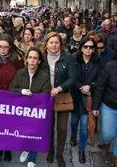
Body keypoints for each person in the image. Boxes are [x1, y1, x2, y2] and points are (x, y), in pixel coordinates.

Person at [9, 47, 52, 167]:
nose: (32, 60)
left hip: (37, 111)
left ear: (39, 61)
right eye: (30, 58)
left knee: (35, 133)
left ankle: (32, 159)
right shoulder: (20, 73)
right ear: (26, 59)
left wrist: (34, 97)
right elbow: (12, 88)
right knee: (24, 132)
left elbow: (46, 92)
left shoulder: (44, 75)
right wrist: (21, 91)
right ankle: (26, 149)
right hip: (22, 111)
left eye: (35, 58)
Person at [0, 34, 24, 164]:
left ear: (10, 47)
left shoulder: (17, 60)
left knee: (9, 125)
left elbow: (21, 76)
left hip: (13, 97)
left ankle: (7, 148)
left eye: (5, 47)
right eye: (0, 46)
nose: (2, 49)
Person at [43, 32, 76, 167]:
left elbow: (73, 78)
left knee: (62, 128)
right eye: (51, 42)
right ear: (46, 44)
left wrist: (60, 88)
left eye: (56, 42)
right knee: (49, 126)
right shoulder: (42, 57)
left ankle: (59, 154)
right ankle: (50, 150)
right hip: (46, 97)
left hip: (62, 96)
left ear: (60, 44)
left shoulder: (68, 58)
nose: (54, 45)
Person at [70, 37, 101, 164]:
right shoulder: (73, 59)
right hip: (76, 96)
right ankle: (72, 136)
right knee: (73, 122)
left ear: (94, 49)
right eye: (86, 46)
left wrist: (91, 86)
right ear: (81, 47)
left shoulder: (98, 61)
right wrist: (80, 87)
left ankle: (82, 150)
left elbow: (100, 79)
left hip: (89, 98)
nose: (88, 49)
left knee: (84, 127)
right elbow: (70, 76)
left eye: (91, 47)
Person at [93, 48, 117, 167]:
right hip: (109, 105)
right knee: (107, 133)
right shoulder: (110, 66)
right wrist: (95, 106)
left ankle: (116, 156)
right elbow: (100, 87)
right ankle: (106, 143)